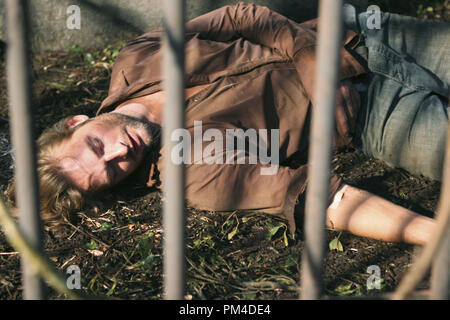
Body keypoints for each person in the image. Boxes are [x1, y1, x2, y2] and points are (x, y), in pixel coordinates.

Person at [17, 3, 447, 245]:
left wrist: (308, 54)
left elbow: (241, 17)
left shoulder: (137, 58)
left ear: (78, 120)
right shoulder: (191, 172)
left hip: (354, 34)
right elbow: (320, 200)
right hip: (379, 113)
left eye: (96, 146)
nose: (119, 153)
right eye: (111, 171)